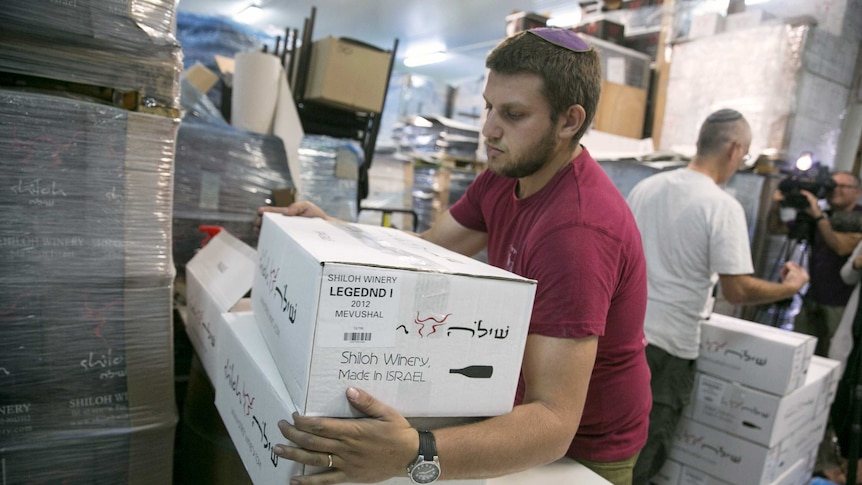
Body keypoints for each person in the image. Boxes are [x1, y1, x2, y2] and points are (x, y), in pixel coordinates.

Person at [255, 27, 651, 485]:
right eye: (488, 107)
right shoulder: (506, 175)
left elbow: (554, 422)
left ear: (568, 121)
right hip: (513, 405)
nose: (489, 130)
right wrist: (335, 234)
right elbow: (424, 250)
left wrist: (414, 453)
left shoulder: (579, 232)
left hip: (583, 449)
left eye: (513, 114)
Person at [626, 109, 810, 485]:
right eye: (743, 158)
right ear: (734, 149)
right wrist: (790, 288)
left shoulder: (647, 188)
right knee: (644, 458)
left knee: (612, 448)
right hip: (668, 350)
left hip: (625, 337)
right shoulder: (721, 206)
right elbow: (737, 289)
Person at [775, 171, 862, 357]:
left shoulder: (858, 219)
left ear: (858, 192)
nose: (835, 190)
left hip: (841, 305)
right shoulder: (821, 216)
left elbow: (841, 247)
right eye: (832, 185)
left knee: (831, 359)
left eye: (843, 186)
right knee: (798, 353)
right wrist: (778, 201)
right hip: (812, 299)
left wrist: (818, 216)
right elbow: (775, 228)